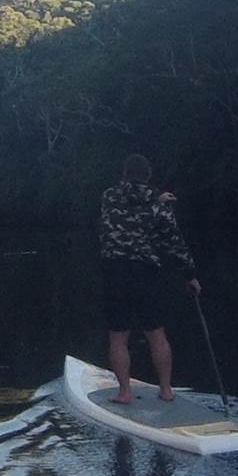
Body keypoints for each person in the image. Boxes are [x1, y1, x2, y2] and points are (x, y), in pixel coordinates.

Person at [97, 153, 201, 405]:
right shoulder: (159, 204)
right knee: (157, 334)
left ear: (124, 174)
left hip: (116, 273)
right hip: (147, 273)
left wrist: (155, 201)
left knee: (118, 336)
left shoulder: (108, 196)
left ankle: (124, 393)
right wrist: (190, 275)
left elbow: (128, 202)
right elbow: (174, 242)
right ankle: (166, 390)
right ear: (148, 176)